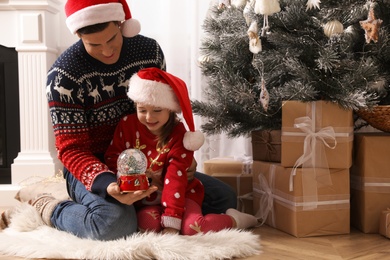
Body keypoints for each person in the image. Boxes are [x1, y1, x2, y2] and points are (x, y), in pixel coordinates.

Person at [0, 0, 237, 240]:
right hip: (94, 166)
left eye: (112, 39)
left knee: (223, 197)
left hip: (151, 160)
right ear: (78, 34)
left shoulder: (148, 52)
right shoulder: (63, 77)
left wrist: (181, 160)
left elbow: (163, 113)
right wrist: (109, 184)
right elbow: (71, 150)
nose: (106, 51)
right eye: (94, 44)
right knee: (114, 225)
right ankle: (49, 206)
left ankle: (129, 209)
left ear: (121, 24)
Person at [105, 68, 258, 235]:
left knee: (192, 228)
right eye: (142, 110)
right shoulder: (127, 125)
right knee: (148, 224)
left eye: (157, 110)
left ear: (170, 109)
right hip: (148, 200)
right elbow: (113, 157)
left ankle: (236, 220)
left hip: (182, 194)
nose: (149, 117)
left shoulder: (178, 133)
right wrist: (126, 177)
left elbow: (175, 179)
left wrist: (171, 221)